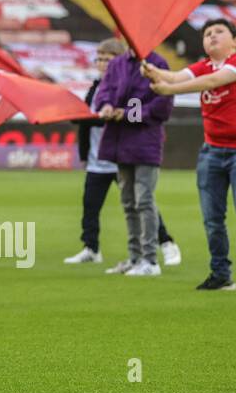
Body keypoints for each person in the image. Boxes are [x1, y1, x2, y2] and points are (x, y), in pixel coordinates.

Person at [143, 19, 236, 294]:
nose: (211, 36)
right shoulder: (203, 66)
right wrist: (154, 72)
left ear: (235, 41)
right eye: (207, 34)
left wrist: (168, 89)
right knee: (212, 218)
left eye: (219, 32)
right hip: (212, 150)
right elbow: (174, 76)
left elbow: (208, 82)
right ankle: (221, 274)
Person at [65, 39, 179, 266]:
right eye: (99, 59)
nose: (102, 64)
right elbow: (102, 100)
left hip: (141, 144)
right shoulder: (116, 69)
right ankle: (131, 257)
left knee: (143, 202)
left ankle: (156, 252)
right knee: (125, 204)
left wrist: (125, 113)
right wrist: (106, 107)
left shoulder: (154, 64)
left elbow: (157, 105)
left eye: (105, 59)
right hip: (114, 148)